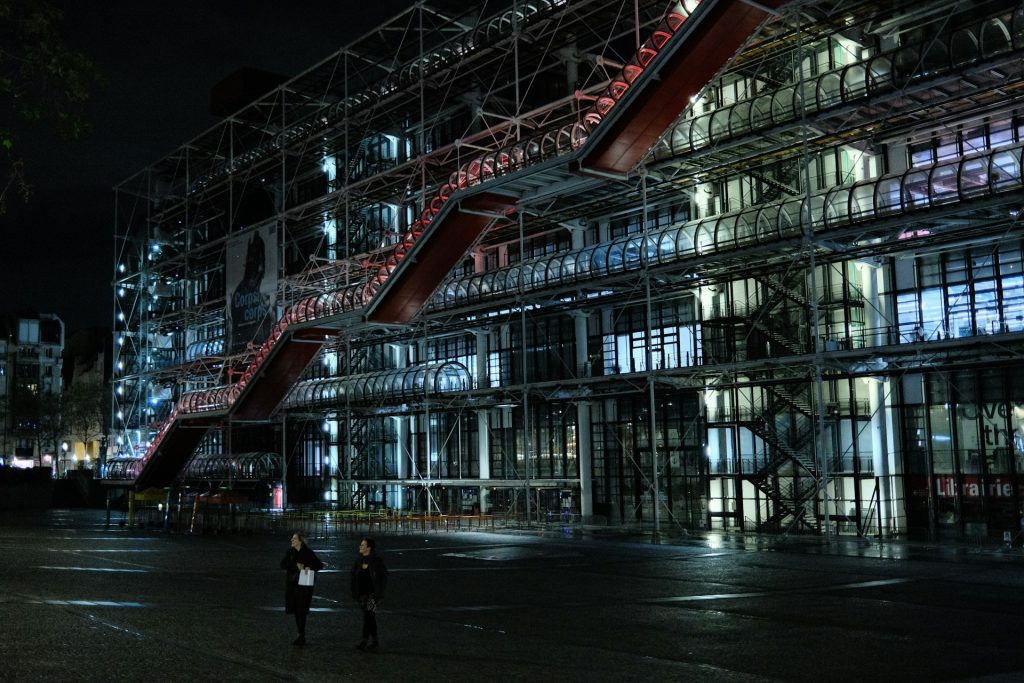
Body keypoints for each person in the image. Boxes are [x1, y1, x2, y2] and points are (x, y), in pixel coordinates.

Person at [280, 532, 324, 646]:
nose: (291, 540)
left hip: (304, 586)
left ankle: (301, 635)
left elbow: (319, 565)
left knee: (301, 611)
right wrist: (295, 566)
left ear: (300, 541)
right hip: (292, 585)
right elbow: (282, 564)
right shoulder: (290, 552)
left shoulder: (308, 553)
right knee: (296, 611)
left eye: (294, 539)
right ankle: (300, 634)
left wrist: (309, 567)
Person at [350, 536, 388, 651]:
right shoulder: (358, 561)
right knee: (369, 617)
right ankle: (374, 640)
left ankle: (365, 640)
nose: (360, 547)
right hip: (361, 595)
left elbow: (384, 577)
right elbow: (353, 576)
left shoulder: (377, 561)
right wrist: (354, 592)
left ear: (369, 548)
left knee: (368, 615)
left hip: (373, 595)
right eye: (360, 545)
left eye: (362, 545)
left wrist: (379, 593)